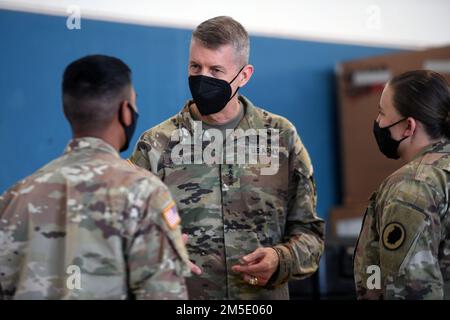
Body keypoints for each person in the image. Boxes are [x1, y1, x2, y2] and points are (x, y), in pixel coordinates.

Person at [130, 16, 325, 299]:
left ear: (244, 76)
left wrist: (280, 258)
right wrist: (155, 252)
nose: (202, 78)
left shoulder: (281, 137)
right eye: (195, 66)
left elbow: (311, 235)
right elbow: (126, 233)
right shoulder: (156, 144)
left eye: (216, 70)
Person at [0, 55, 190, 299]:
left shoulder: (15, 197)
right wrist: (167, 255)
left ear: (68, 111)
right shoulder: (145, 194)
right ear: (126, 112)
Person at [354, 70, 450, 299]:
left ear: (408, 126)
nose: (378, 122)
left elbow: (410, 288)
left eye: (382, 112)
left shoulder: (412, 187)